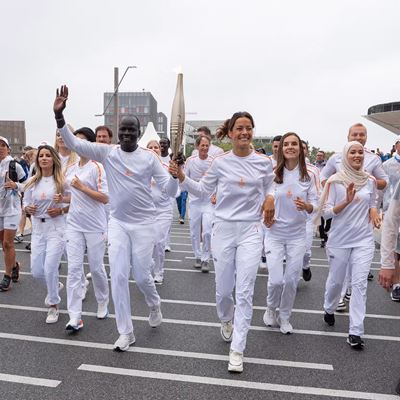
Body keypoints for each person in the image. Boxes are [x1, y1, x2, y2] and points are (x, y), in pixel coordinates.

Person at [53, 85, 178, 351]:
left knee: (143, 277)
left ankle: (154, 304)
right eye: (123, 130)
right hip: (118, 223)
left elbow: (169, 191)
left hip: (145, 224)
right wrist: (60, 117)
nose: (126, 134)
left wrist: (176, 177)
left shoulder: (149, 158)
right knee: (119, 276)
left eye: (131, 130)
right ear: (118, 133)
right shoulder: (108, 152)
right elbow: (75, 143)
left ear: (138, 132)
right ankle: (126, 332)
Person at [171, 111, 275, 373]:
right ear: (230, 133)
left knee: (245, 290)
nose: (244, 132)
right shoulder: (220, 162)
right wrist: (182, 177)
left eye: (248, 128)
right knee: (224, 289)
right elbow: (203, 190)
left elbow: (270, 186)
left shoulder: (263, 162)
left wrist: (270, 197)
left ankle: (238, 348)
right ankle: (226, 319)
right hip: (224, 229)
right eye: (239, 128)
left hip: (251, 230)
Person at [320, 141, 380, 349]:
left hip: (363, 239)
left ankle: (355, 331)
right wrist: (345, 201)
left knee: (359, 284)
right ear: (345, 156)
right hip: (339, 239)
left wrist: (374, 212)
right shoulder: (334, 181)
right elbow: (325, 212)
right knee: (337, 282)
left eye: (360, 152)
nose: (357, 155)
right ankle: (329, 307)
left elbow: (373, 203)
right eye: (352, 152)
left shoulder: (370, 180)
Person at [320, 123, 388, 308]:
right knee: (337, 275)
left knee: (359, 277)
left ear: (366, 137)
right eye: (355, 134)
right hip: (341, 223)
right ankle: (336, 299)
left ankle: (354, 325)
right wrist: (337, 186)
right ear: (348, 136)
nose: (358, 138)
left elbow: (383, 182)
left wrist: (369, 190)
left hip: (363, 223)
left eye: (362, 135)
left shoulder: (373, 159)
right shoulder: (336, 158)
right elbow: (323, 179)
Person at [263, 132, 318, 333]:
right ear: (281, 148)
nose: (290, 147)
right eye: (286, 144)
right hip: (274, 233)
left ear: (301, 149)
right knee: (276, 280)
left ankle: (285, 316)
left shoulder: (309, 175)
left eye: (294, 144)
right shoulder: (272, 173)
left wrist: (307, 206)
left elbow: (317, 203)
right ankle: (270, 308)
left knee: (291, 279)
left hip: (297, 235)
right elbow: (263, 195)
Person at [64, 127, 110, 331]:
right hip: (73, 224)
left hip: (95, 226)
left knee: (96, 267)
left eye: (82, 141)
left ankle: (102, 300)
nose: (78, 144)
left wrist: (82, 187)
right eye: (76, 141)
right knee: (73, 270)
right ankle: (75, 316)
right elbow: (69, 194)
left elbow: (105, 197)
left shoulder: (97, 167)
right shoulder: (71, 167)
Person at [23, 144, 68, 323]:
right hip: (38, 229)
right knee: (36, 271)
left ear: (53, 159)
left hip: (56, 228)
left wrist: (61, 210)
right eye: (41, 155)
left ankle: (53, 305)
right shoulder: (32, 181)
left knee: (50, 268)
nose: (44, 158)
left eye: (48, 155)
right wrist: (28, 208)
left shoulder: (61, 181)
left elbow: (73, 202)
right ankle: (55, 287)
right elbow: (24, 203)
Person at [146, 140, 180, 283]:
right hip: (146, 211)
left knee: (159, 242)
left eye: (156, 147)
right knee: (148, 243)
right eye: (150, 147)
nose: (154, 149)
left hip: (163, 210)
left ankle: (159, 272)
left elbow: (176, 191)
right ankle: (149, 267)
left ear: (160, 150)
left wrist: (174, 177)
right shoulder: (141, 168)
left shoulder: (167, 167)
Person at [0, 137, 27, 291]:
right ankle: (15, 265)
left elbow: (29, 184)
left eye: (3, 145)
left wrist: (15, 185)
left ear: (8, 149)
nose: (0, 148)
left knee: (7, 243)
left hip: (12, 209)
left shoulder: (14, 165)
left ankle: (7, 276)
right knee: (4, 245)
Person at [185, 135, 214, 272]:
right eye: (202, 145)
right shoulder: (190, 161)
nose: (205, 148)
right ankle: (197, 256)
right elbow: (185, 179)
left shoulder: (214, 162)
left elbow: (219, 181)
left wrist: (216, 194)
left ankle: (206, 259)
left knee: (207, 231)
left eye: (207, 145)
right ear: (197, 147)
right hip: (195, 201)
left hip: (208, 202)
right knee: (194, 232)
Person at [381, 139, 400, 301]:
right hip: (391, 209)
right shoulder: (387, 165)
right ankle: (397, 284)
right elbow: (383, 188)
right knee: (395, 248)